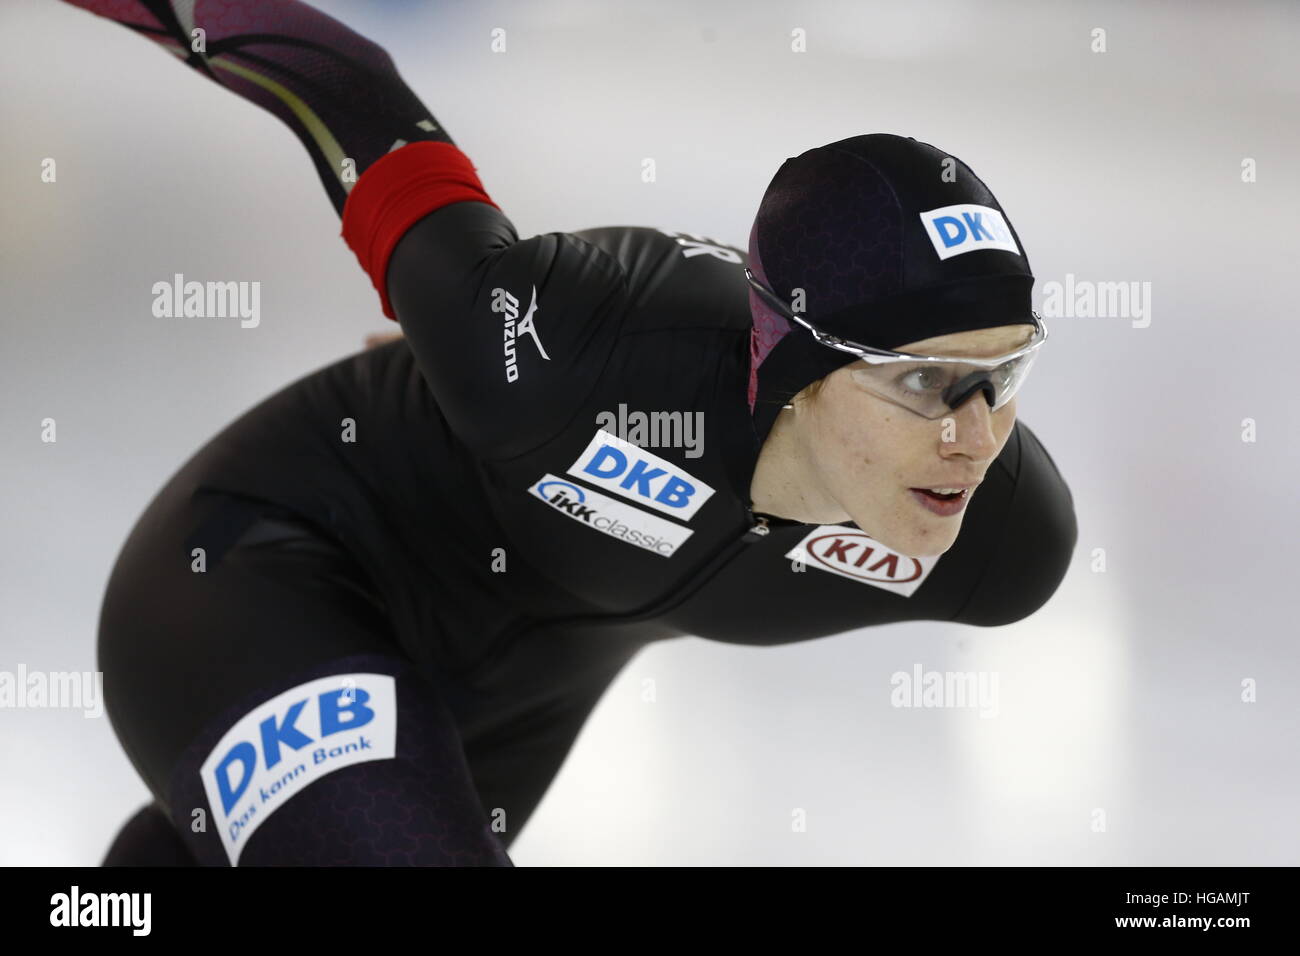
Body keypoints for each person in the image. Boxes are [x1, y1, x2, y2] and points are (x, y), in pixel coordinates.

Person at [61, 0, 1076, 866]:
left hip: (507, 701)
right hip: (273, 570)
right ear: (796, 366)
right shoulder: (569, 351)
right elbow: (344, 81)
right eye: (925, 381)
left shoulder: (1003, 544)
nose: (976, 436)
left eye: (1005, 372)